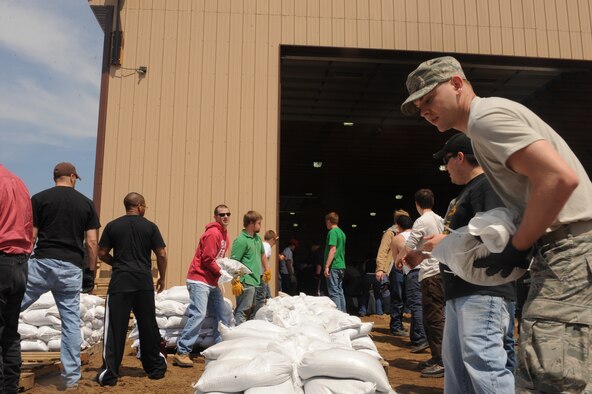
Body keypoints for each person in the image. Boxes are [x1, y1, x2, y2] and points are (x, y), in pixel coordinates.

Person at [402, 56, 592, 392]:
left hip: (569, 249)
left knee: (553, 374)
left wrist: (517, 248)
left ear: (457, 84)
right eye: (419, 106)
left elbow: (557, 178)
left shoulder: (485, 118)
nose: (424, 111)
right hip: (563, 249)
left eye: (429, 98)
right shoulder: (484, 124)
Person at [405, 133, 517, 392]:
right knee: (457, 370)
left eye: (446, 162)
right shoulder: (466, 193)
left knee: (484, 365)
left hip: (482, 291)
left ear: (460, 157)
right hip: (459, 290)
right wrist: (431, 250)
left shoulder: (487, 186)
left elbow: (498, 234)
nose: (445, 169)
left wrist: (446, 239)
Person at [21, 162, 100, 389]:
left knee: (11, 306)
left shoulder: (39, 199)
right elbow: (92, 242)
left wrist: (23, 263)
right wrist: (90, 272)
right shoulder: (86, 204)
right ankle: (72, 379)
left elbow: (32, 236)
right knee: (71, 323)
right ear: (73, 177)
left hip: (42, 264)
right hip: (71, 268)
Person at [96, 193, 167, 386]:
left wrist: (116, 262)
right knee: (147, 325)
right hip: (143, 282)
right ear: (139, 206)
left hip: (120, 281)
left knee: (115, 328)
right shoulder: (150, 227)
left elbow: (101, 253)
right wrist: (162, 276)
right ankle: (155, 369)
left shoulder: (112, 226)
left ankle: (110, 373)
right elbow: (161, 253)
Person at [173, 204, 231, 368]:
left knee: (222, 314)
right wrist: (221, 272)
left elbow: (218, 259)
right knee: (198, 314)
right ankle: (182, 351)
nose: (225, 217)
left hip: (212, 281)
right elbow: (207, 259)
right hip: (199, 279)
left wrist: (222, 276)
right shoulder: (213, 233)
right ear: (215, 217)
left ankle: (220, 349)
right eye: (221, 215)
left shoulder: (225, 235)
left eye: (228, 214)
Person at [397, 189, 445, 378]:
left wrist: (399, 259)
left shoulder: (422, 221)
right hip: (439, 271)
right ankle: (436, 356)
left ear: (417, 204)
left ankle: (441, 360)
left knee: (433, 318)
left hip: (431, 273)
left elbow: (410, 245)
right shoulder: (439, 219)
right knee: (432, 317)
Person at [0, 165, 33, 393]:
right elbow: (29, 226)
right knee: (10, 331)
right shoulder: (18, 183)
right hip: (20, 262)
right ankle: (10, 387)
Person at [375, 209, 411, 336]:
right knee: (398, 297)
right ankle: (395, 326)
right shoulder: (390, 233)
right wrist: (380, 268)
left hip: (406, 269)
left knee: (404, 297)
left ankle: (398, 324)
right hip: (396, 269)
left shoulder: (407, 233)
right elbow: (383, 251)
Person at [231, 211, 269, 325]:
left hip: (255, 280)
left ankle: (244, 335)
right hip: (245, 281)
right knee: (243, 310)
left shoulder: (257, 239)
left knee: (251, 310)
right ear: (251, 223)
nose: (260, 226)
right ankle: (237, 336)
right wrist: (236, 280)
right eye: (259, 223)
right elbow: (234, 262)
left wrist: (267, 269)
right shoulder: (241, 240)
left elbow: (262, 254)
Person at [323, 212, 347, 312]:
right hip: (341, 265)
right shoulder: (341, 233)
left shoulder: (332, 232)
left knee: (333, 292)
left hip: (334, 266)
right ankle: (343, 313)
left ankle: (338, 314)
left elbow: (333, 249)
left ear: (329, 221)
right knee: (339, 291)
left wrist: (327, 266)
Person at [256, 230, 278, 311]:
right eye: (275, 241)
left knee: (268, 296)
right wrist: (266, 269)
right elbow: (262, 256)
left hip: (259, 274)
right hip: (261, 275)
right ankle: (257, 315)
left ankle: (271, 311)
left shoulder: (261, 244)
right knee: (261, 297)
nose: (275, 243)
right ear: (272, 239)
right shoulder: (267, 246)